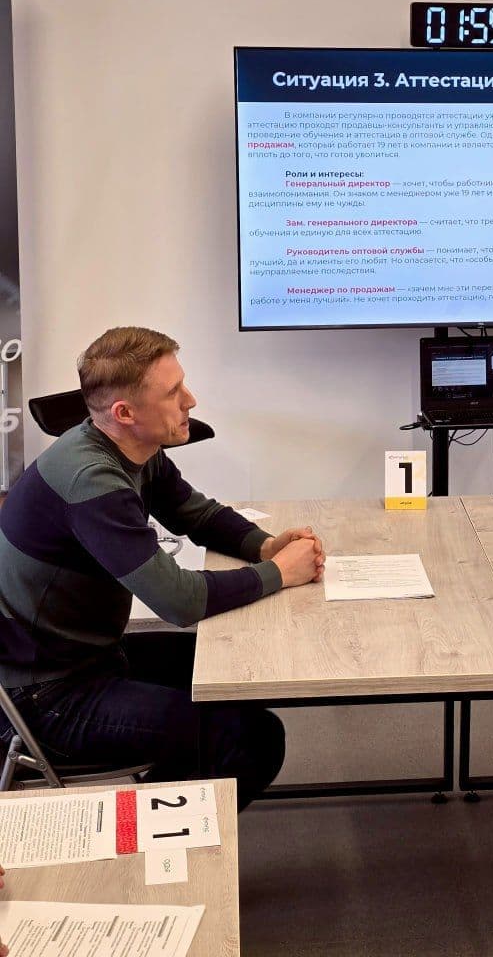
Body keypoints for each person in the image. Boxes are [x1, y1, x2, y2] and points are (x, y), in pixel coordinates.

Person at [0, 327, 326, 811]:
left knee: (233, 667)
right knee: (250, 739)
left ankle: (161, 809)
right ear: (125, 413)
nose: (191, 400)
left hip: (90, 659)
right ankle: (149, 849)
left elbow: (193, 512)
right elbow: (179, 601)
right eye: (173, 393)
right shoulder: (91, 479)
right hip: (48, 696)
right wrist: (281, 572)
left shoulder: (127, 446)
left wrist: (264, 546)